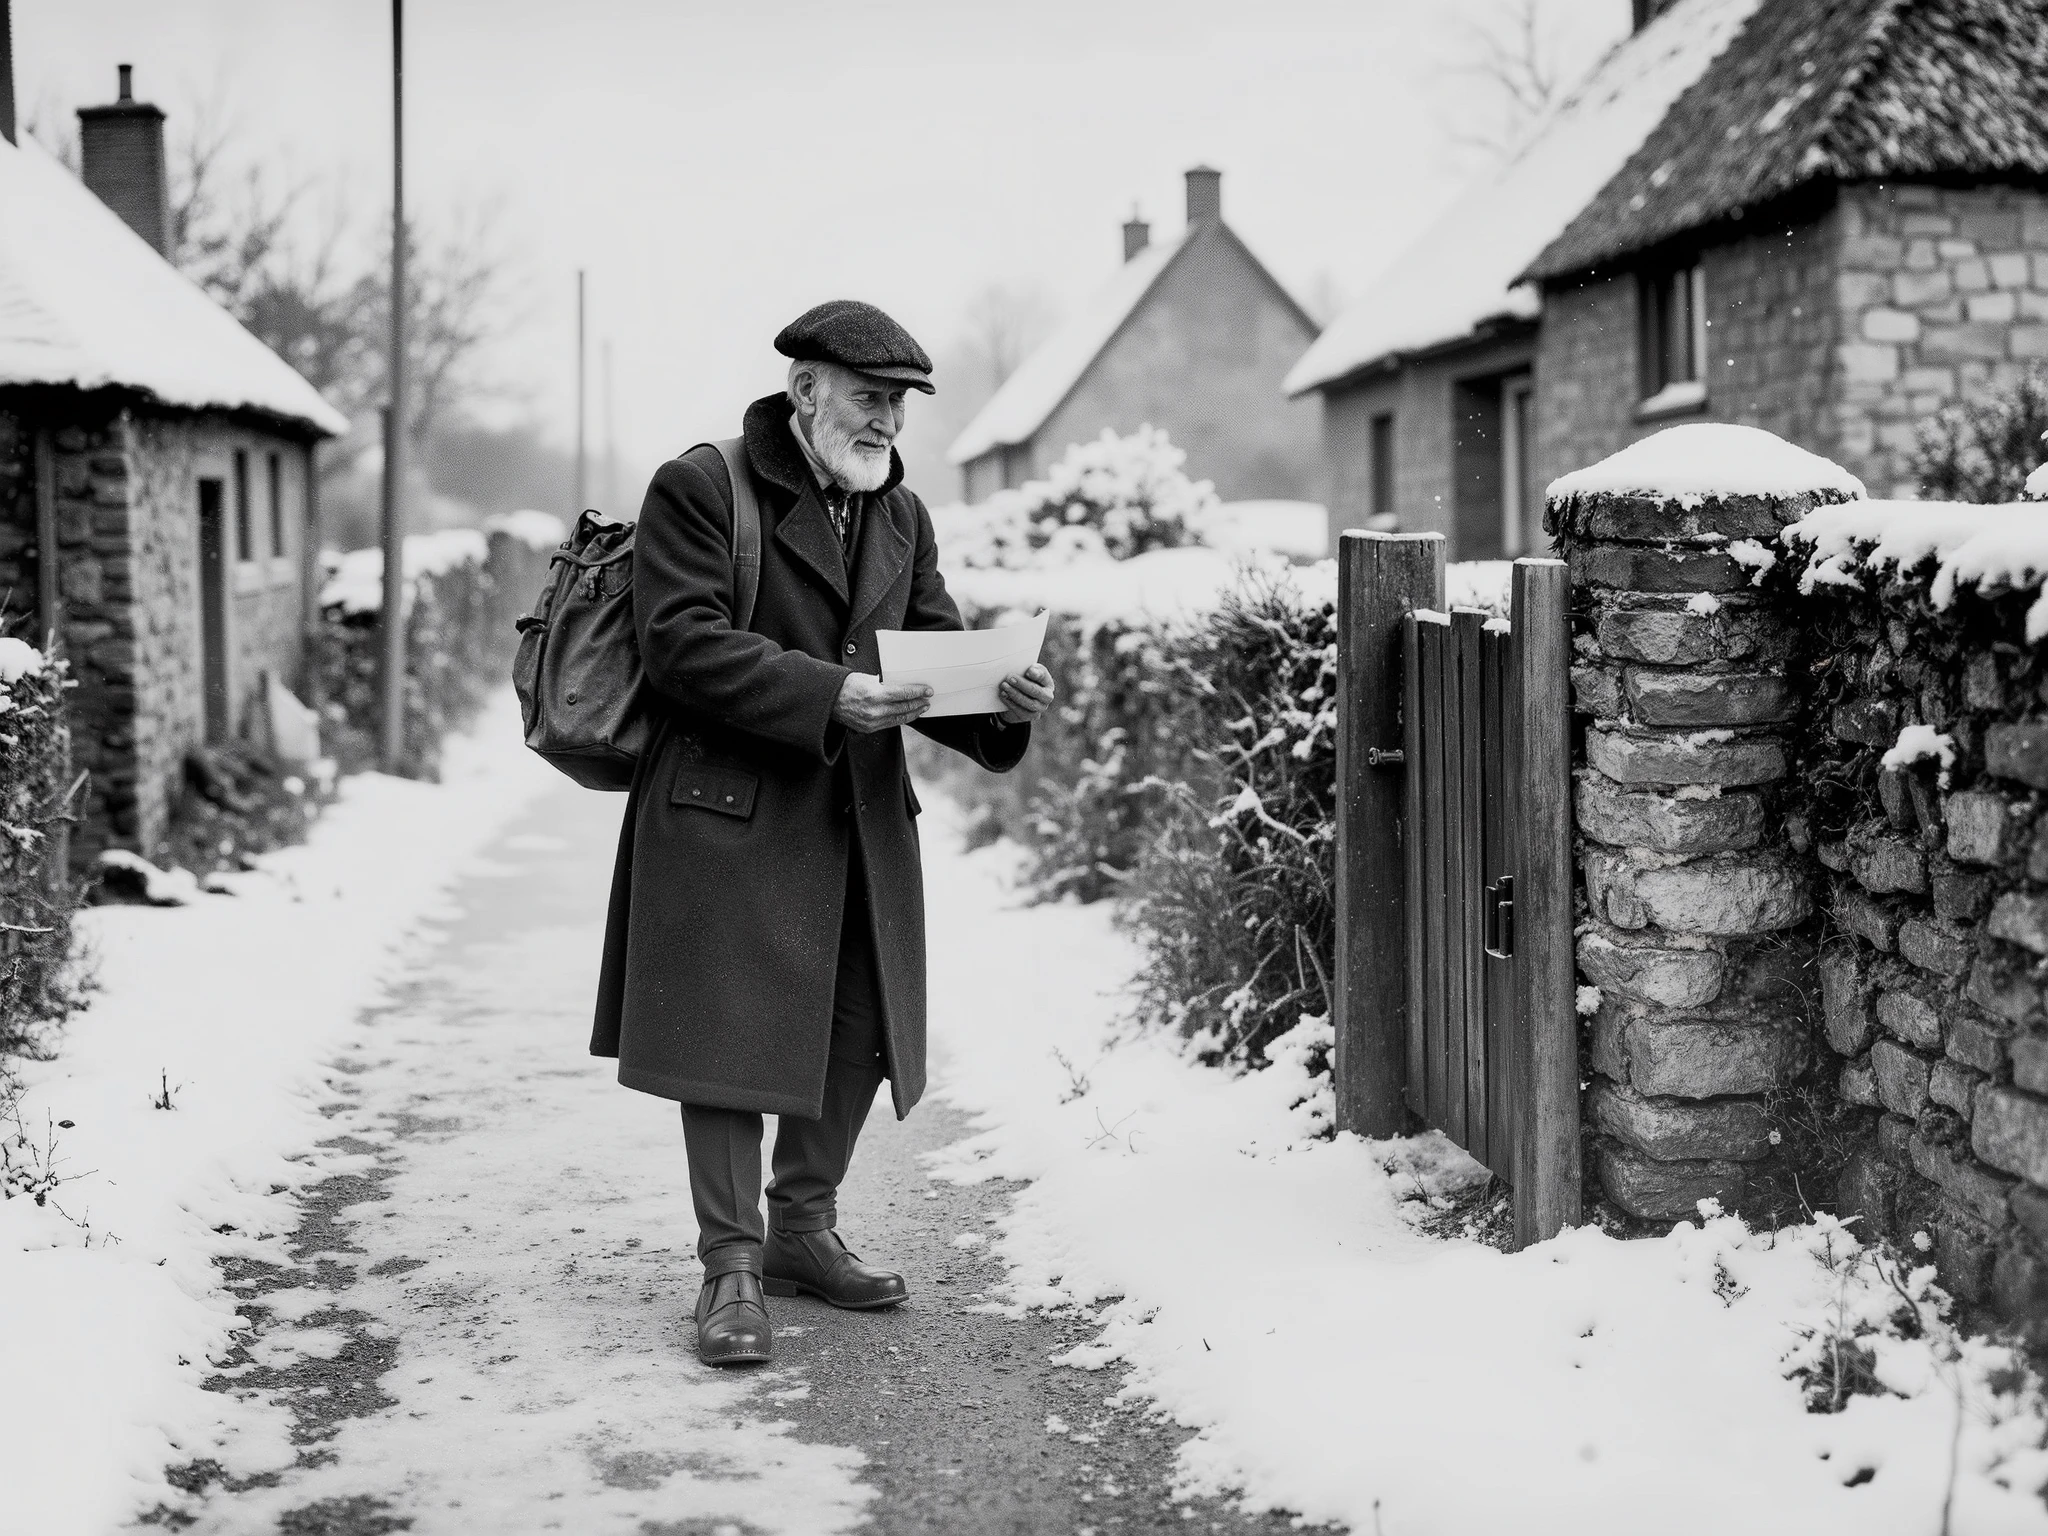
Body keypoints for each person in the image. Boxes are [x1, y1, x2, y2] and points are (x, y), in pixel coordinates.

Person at [590, 300, 1054, 1366]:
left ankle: (802, 1229)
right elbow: (680, 645)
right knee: (725, 1045)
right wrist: (829, 695)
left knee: (856, 1027)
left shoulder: (900, 515)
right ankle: (731, 1268)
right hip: (722, 809)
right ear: (803, 391)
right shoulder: (700, 486)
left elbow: (927, 651)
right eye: (866, 396)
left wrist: (999, 699)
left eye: (897, 403)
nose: (886, 420)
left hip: (854, 816)